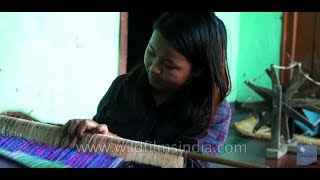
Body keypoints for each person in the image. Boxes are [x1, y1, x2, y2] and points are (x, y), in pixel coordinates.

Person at [2, 12, 231, 168]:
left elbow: (189, 164)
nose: (154, 68)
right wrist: (34, 125)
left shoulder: (214, 111)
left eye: (169, 65)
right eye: (151, 52)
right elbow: (91, 144)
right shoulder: (124, 87)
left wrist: (116, 143)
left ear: (198, 69)